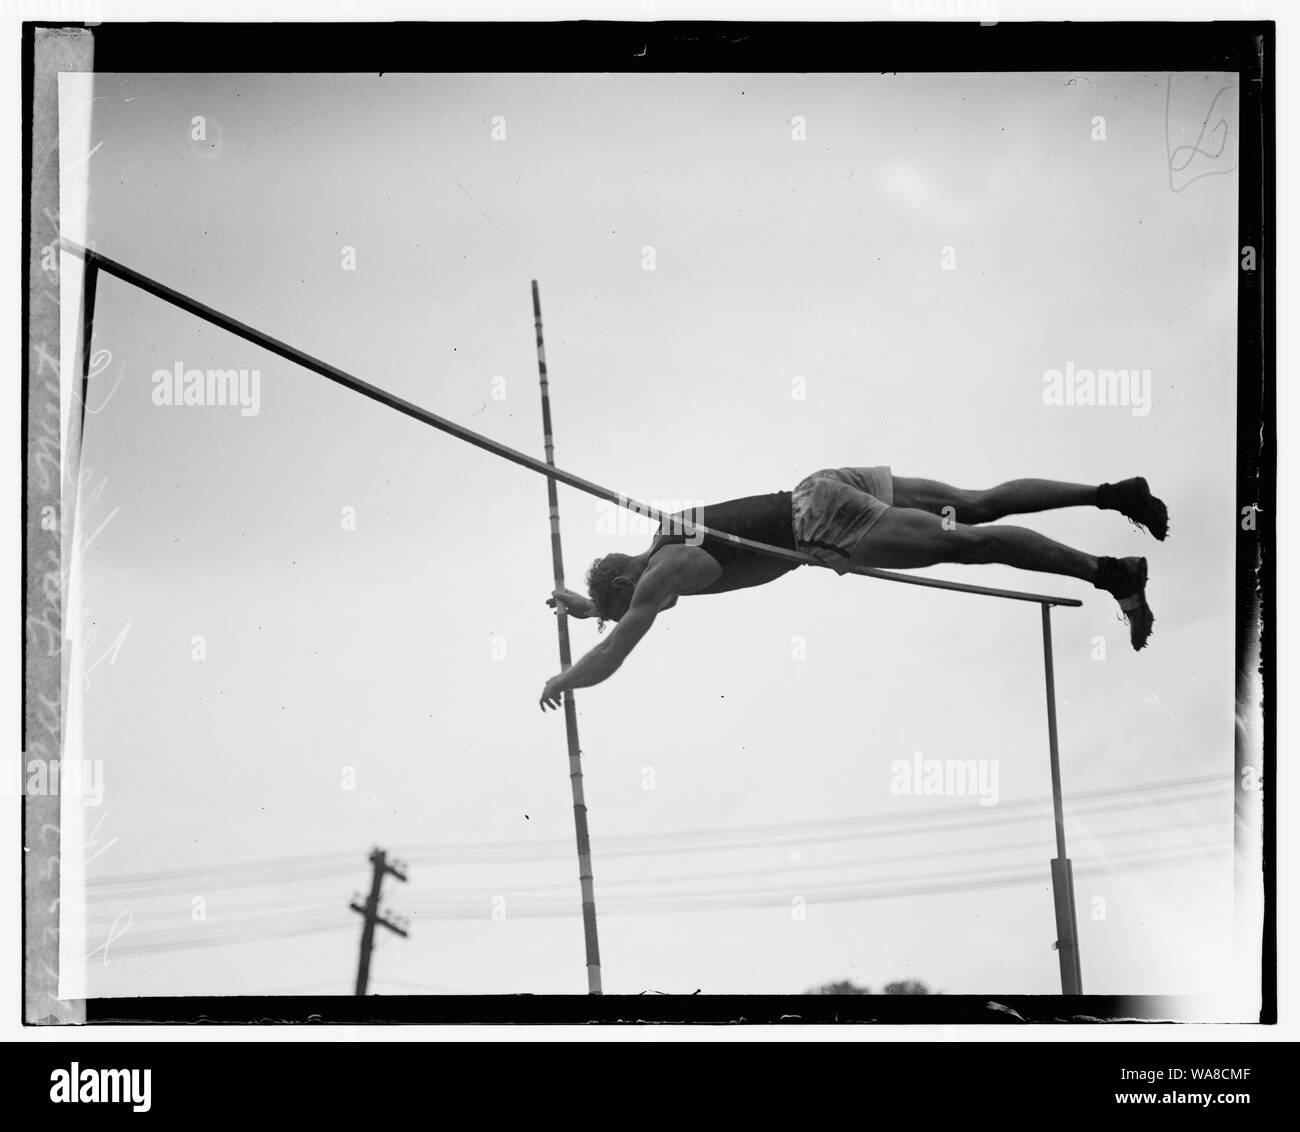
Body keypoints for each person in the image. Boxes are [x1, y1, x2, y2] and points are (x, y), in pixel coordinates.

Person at [539, 468, 1166, 710]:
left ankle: (1110, 572)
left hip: (821, 526)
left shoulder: (660, 573)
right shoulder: (660, 543)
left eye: (621, 604)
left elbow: (621, 642)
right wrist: (591, 604)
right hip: (822, 485)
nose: (653, 608)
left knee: (974, 546)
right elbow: (622, 604)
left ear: (629, 580)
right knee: (974, 506)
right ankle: (1111, 495)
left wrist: (567, 678)